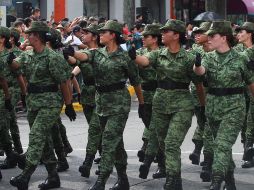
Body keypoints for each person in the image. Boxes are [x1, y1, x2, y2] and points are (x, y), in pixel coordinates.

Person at [63, 20, 144, 190]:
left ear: (113, 35)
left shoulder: (124, 57)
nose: (100, 34)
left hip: (119, 104)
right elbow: (84, 56)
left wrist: (142, 104)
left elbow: (136, 82)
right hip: (102, 103)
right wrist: (71, 53)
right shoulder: (97, 53)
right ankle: (123, 179)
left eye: (103, 32)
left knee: (108, 140)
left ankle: (101, 181)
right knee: (116, 143)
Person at [131, 19, 205, 189]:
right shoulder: (158, 54)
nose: (162, 34)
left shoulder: (189, 57)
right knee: (164, 143)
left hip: (182, 104)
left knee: (172, 143)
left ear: (176, 35)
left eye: (166, 31)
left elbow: (199, 84)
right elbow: (145, 61)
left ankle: (173, 178)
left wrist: (203, 107)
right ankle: (171, 174)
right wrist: (134, 56)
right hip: (160, 103)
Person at [8, 21, 76, 190]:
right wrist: (10, 60)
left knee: (37, 136)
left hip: (50, 103)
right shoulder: (28, 55)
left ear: (37, 36)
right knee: (44, 141)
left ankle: (25, 175)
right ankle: (53, 177)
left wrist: (68, 105)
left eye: (29, 34)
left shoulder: (53, 57)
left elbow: (64, 83)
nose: (27, 36)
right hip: (33, 102)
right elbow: (17, 64)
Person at [193, 21, 254, 190]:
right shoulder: (208, 57)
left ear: (224, 38)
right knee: (222, 146)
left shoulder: (241, 58)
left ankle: (216, 180)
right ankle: (231, 182)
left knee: (221, 144)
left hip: (234, 109)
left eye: (212, 36)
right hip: (213, 109)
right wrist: (197, 65)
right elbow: (201, 71)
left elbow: (251, 83)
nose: (208, 38)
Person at [68, 24, 103, 178]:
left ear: (94, 36)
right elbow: (77, 64)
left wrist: (73, 54)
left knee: (94, 129)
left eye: (86, 33)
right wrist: (66, 55)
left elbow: (81, 58)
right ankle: (105, 154)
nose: (83, 35)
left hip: (101, 95)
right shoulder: (84, 52)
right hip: (88, 94)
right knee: (96, 128)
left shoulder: (102, 53)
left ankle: (88, 162)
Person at [136, 23, 166, 179]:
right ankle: (161, 161)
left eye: (146, 36)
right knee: (154, 129)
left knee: (157, 130)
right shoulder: (140, 52)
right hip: (145, 96)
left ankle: (160, 164)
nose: (143, 39)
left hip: (160, 95)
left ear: (154, 39)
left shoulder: (163, 53)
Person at [236, 22, 254, 168]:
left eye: (241, 32)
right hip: (242, 92)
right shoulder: (237, 50)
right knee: (245, 124)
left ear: (249, 34)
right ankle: (247, 153)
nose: (238, 35)